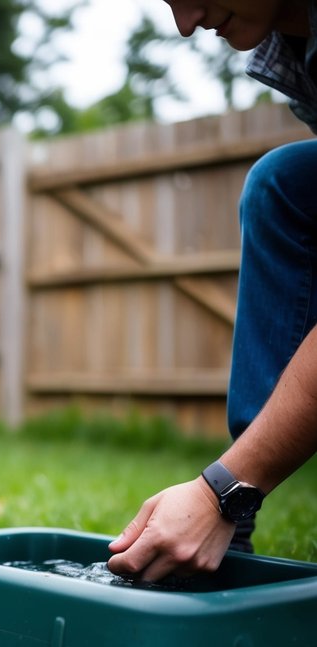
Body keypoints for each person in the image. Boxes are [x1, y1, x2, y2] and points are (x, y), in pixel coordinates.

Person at [106, 0, 317, 583]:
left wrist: (220, 492)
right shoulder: (296, 50)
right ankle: (240, 517)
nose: (185, 22)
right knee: (283, 186)